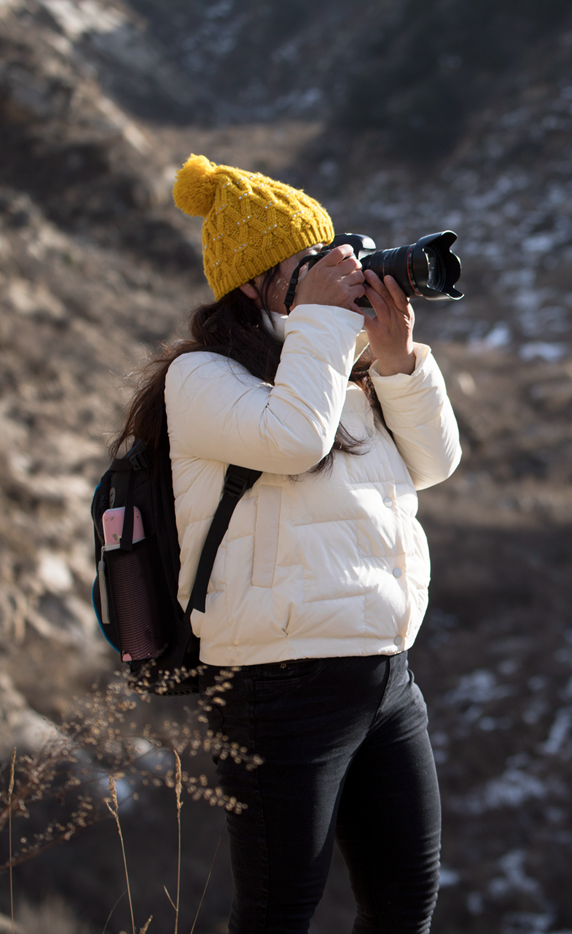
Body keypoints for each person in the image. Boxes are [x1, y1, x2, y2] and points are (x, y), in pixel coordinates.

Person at [112, 153, 461, 933]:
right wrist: (329, 323)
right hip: (276, 688)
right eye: (308, 265)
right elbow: (295, 440)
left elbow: (436, 464)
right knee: (279, 915)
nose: (338, 273)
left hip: (385, 677)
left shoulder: (341, 375)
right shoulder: (200, 379)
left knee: (407, 905)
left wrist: (399, 358)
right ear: (251, 285)